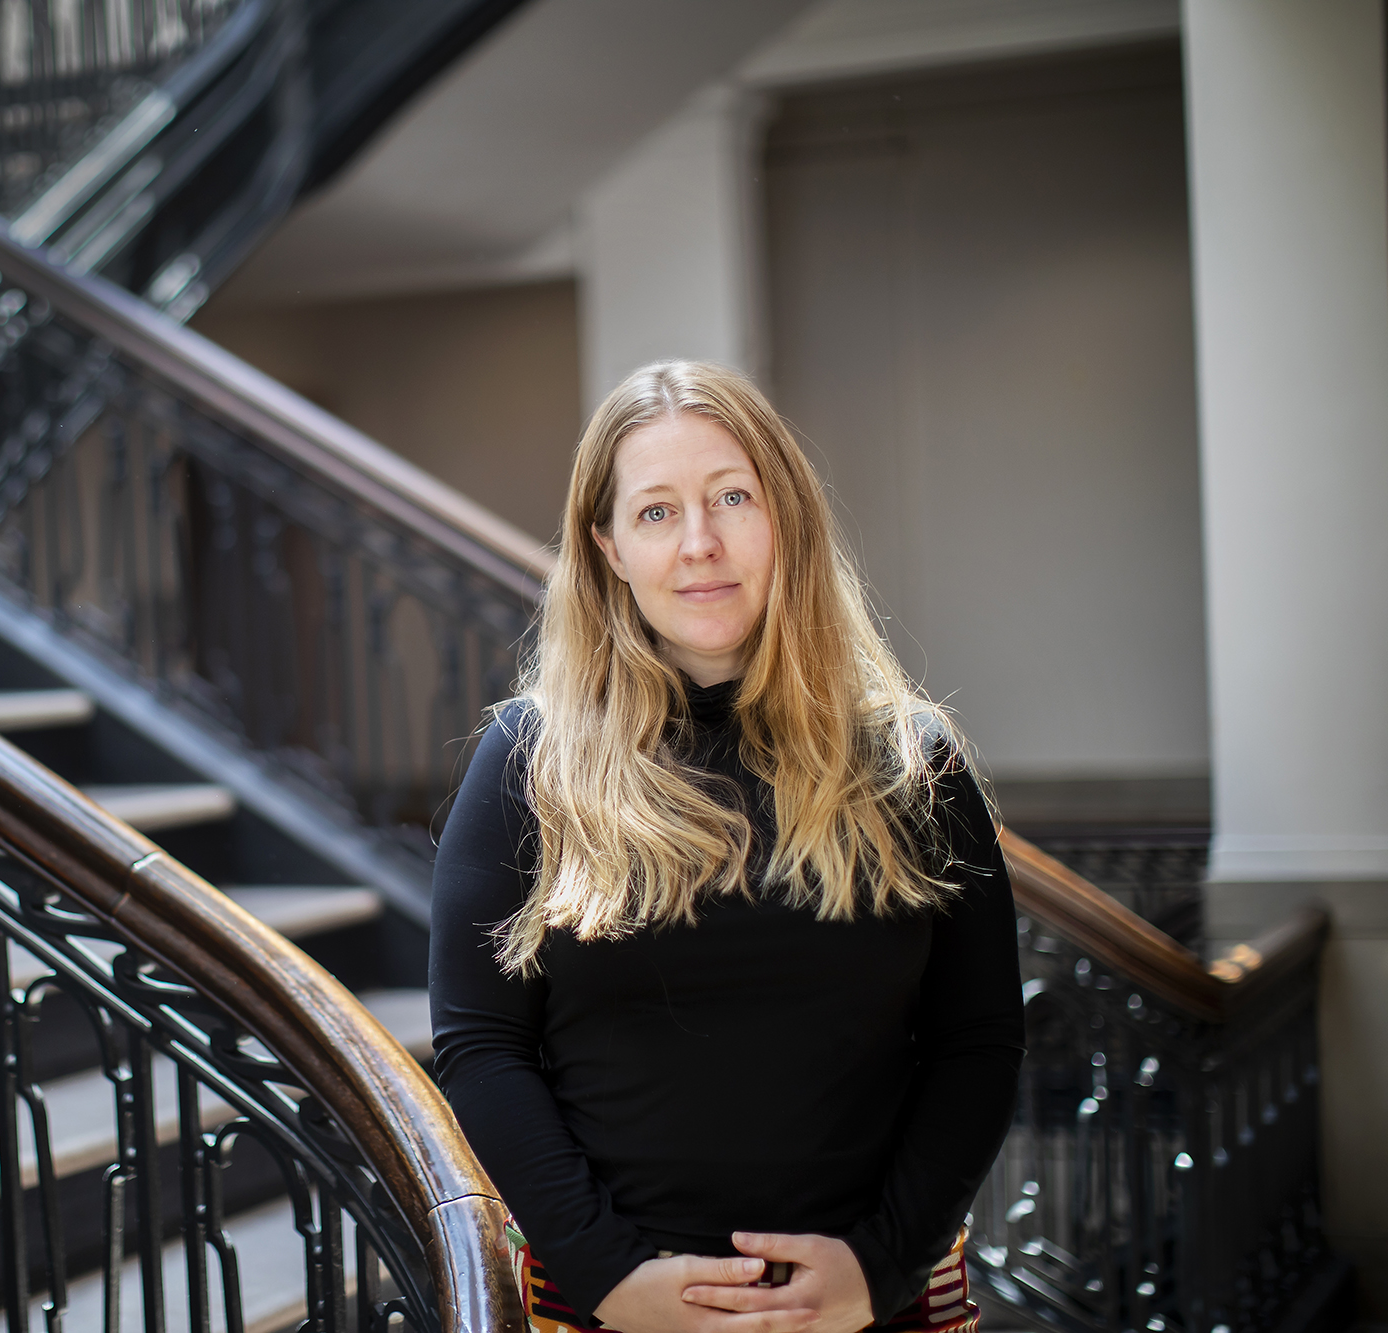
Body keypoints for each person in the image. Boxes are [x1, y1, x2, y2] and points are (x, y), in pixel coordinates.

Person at [430, 361, 1024, 1333]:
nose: (699, 543)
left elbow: (977, 1042)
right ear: (607, 547)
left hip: (872, 1305)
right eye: (655, 512)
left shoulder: (911, 762)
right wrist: (609, 1275)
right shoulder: (529, 762)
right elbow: (480, 1045)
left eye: (730, 497)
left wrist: (879, 1266)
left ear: (782, 514)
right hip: (608, 1307)